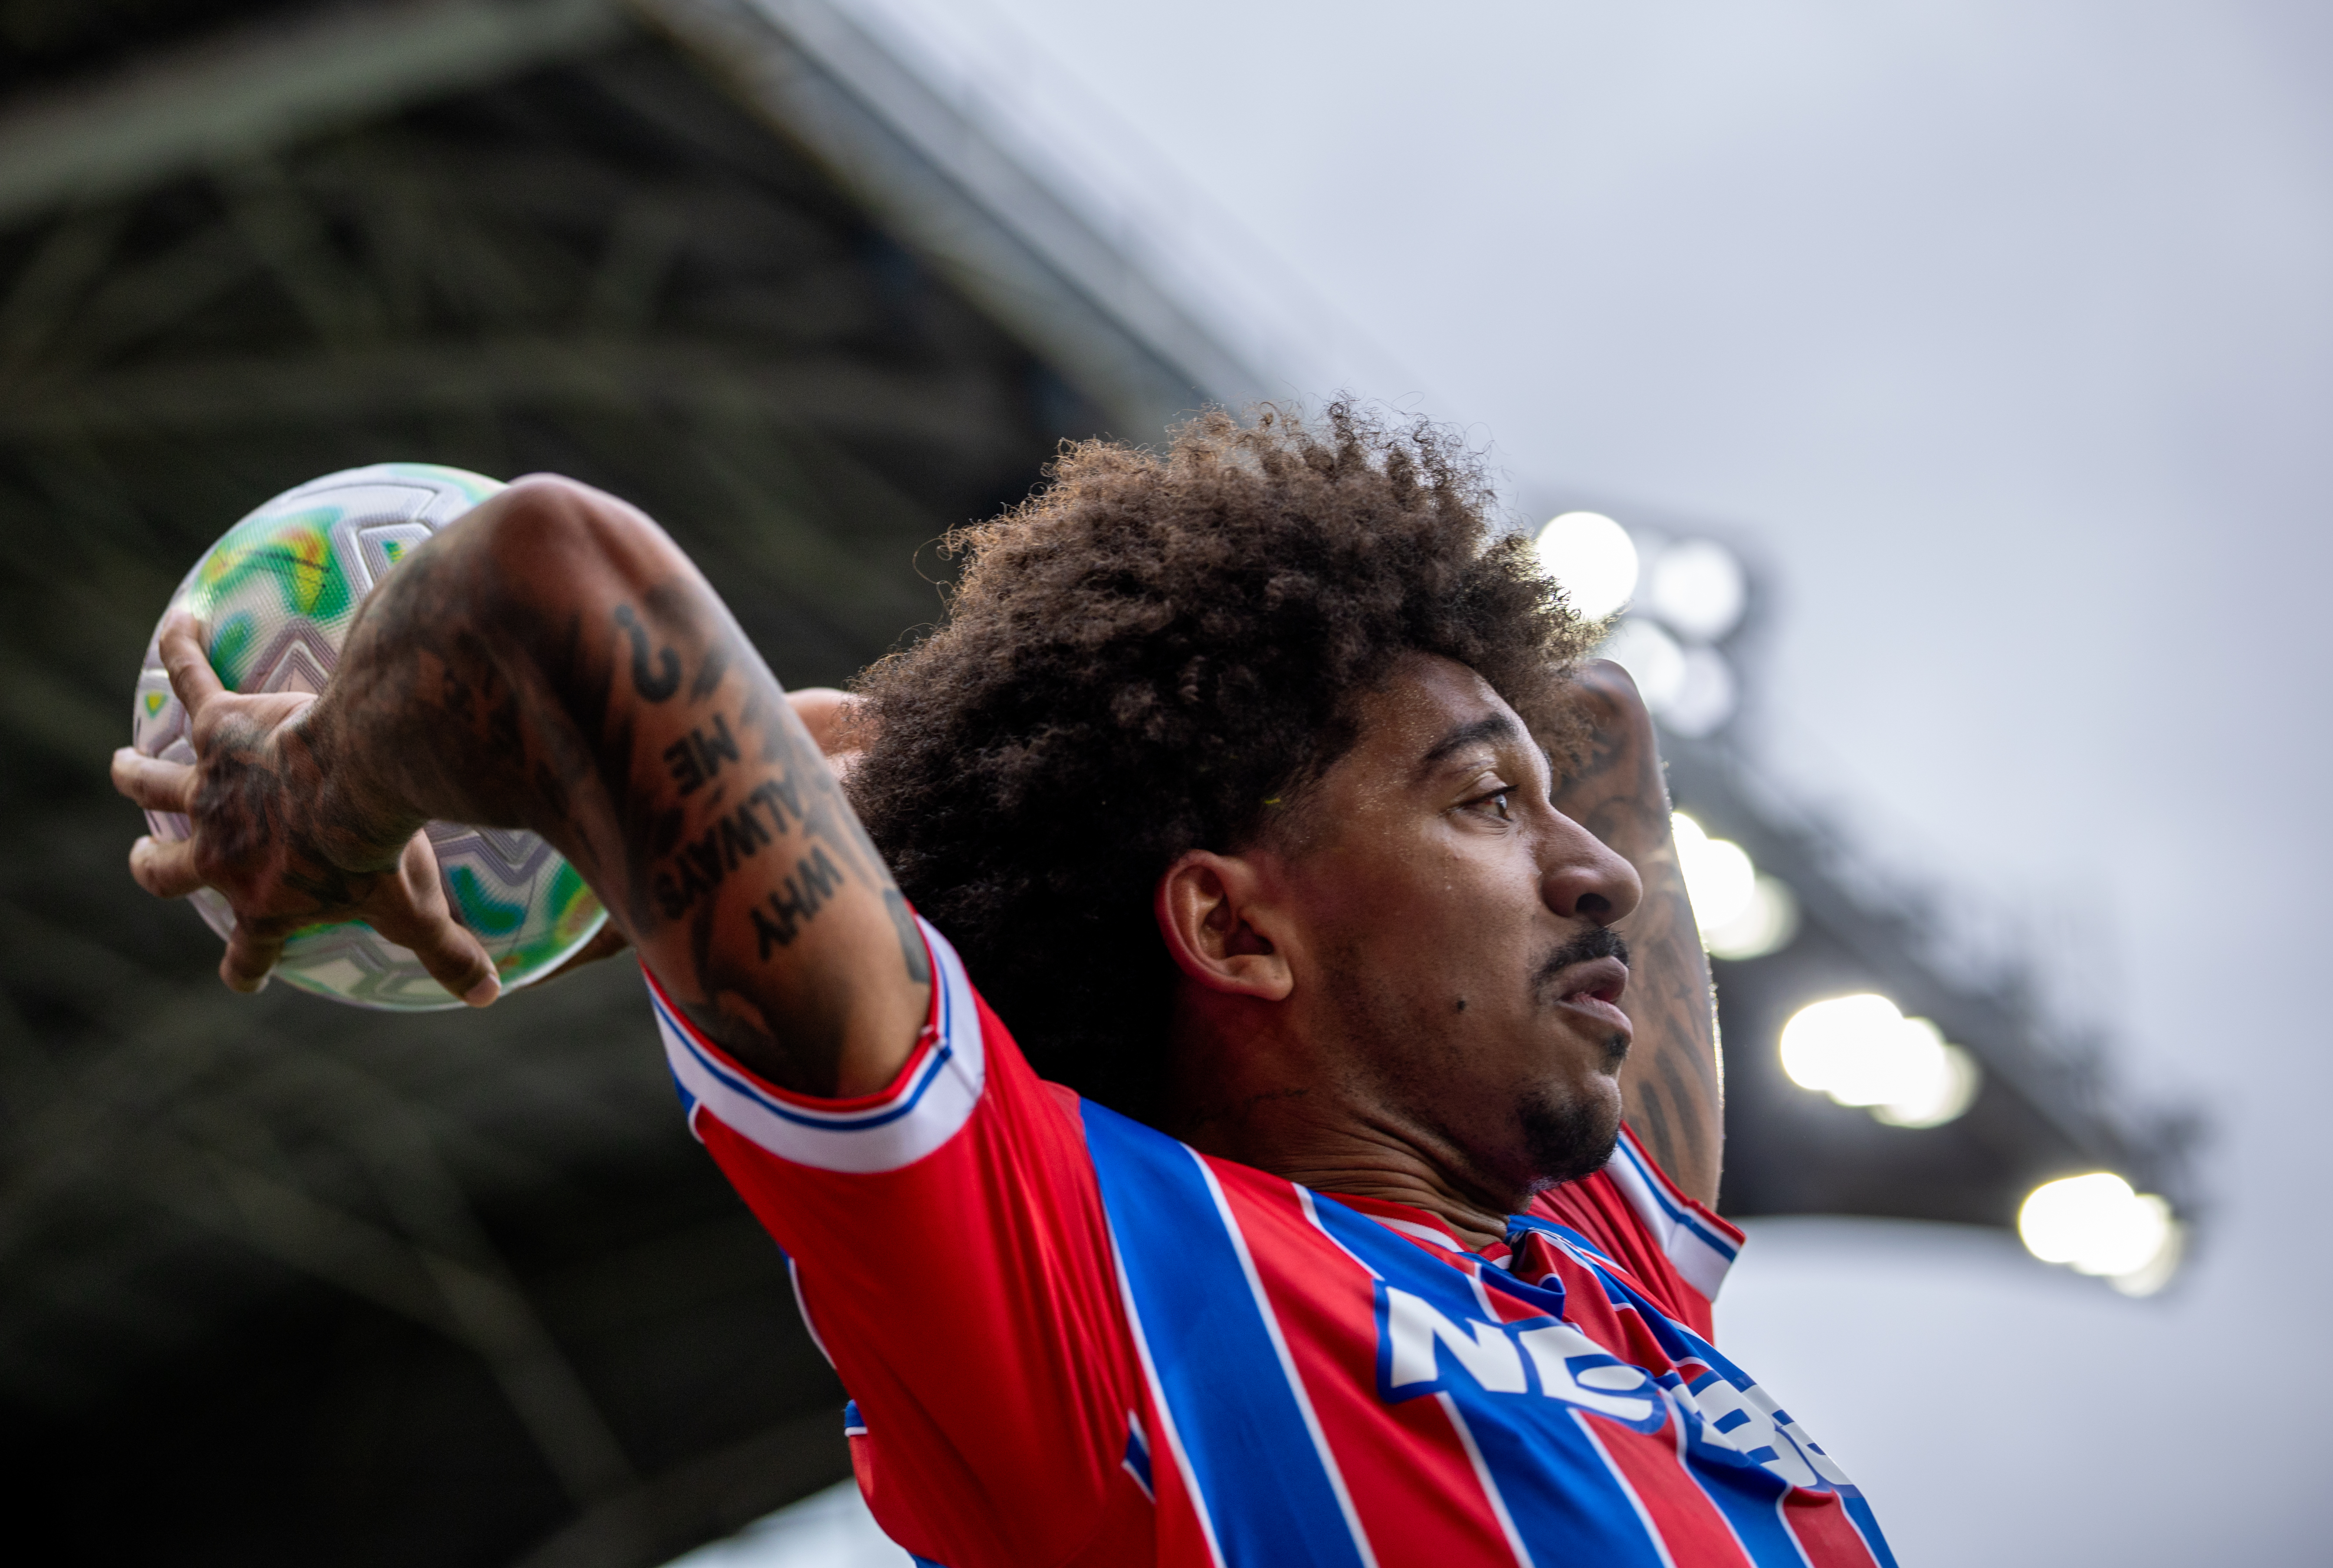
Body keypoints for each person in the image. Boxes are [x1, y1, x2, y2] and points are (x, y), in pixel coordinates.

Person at [111, 406, 1894, 1567]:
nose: (1587, 861)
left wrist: (934, 768)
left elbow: (1597, 715)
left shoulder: (1603, 1263)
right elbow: (547, 579)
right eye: (1484, 807)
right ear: (1230, 932)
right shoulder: (1090, 1271)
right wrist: (324, 796)